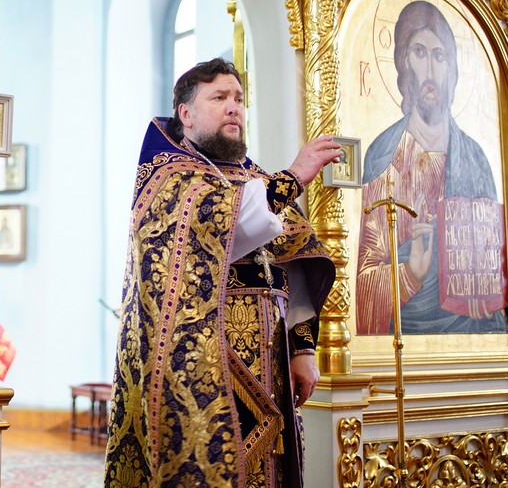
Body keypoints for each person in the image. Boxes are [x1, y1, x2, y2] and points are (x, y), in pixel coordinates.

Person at [104, 58, 340, 487]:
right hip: (205, 366)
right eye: (219, 98)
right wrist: (291, 180)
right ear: (186, 114)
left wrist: (303, 350)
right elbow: (218, 225)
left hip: (271, 364)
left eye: (239, 98)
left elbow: (298, 265)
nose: (234, 107)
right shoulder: (168, 178)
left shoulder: (254, 177)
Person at [356, 0, 508, 335]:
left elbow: (494, 262)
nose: (430, 71)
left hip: (473, 339)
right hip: (402, 339)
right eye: (419, 52)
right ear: (403, 62)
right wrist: (410, 273)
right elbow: (363, 284)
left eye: (439, 56)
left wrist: (490, 291)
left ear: (451, 69)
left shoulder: (476, 158)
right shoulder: (385, 156)